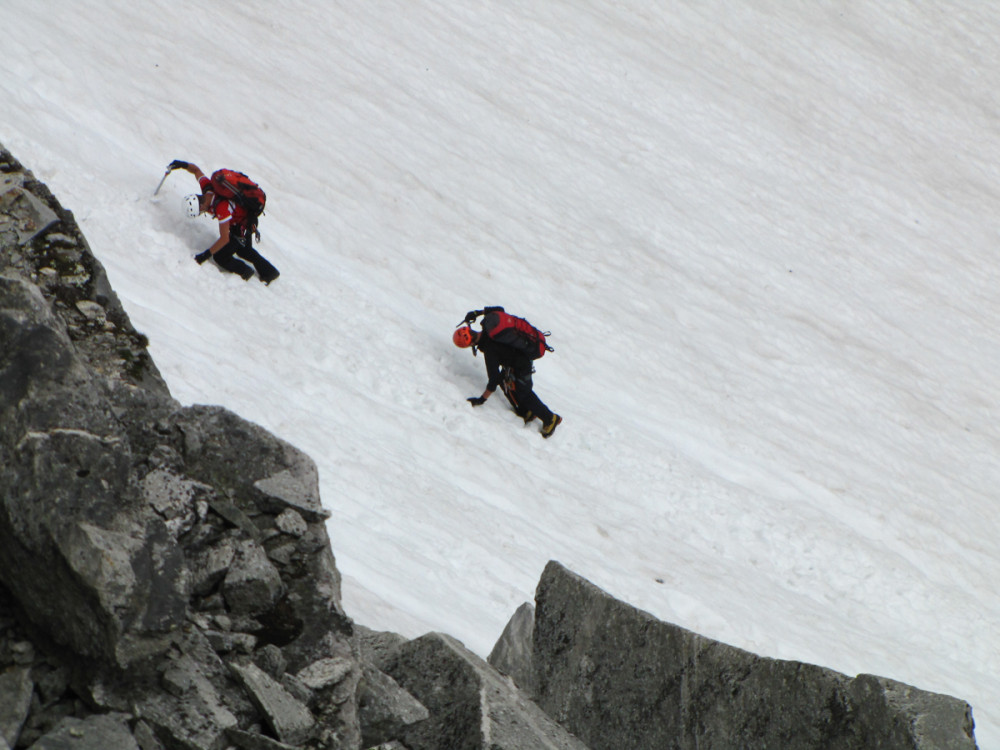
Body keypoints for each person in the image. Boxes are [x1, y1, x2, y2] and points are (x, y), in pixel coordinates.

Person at [453, 307, 562, 438]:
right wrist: (477, 313)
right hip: (520, 359)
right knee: (507, 381)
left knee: (524, 393)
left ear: (470, 344)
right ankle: (526, 411)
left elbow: (493, 381)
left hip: (522, 364)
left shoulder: (489, 351)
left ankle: (550, 418)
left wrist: (481, 400)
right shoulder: (490, 326)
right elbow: (499, 309)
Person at [168, 160, 279, 284]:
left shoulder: (221, 208)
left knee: (221, 256)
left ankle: (246, 272)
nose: (201, 213)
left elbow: (224, 238)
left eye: (199, 212)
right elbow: (196, 170)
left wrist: (204, 256)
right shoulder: (207, 189)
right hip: (244, 221)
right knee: (244, 250)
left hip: (243, 225)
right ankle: (270, 272)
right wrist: (182, 165)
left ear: (202, 206)